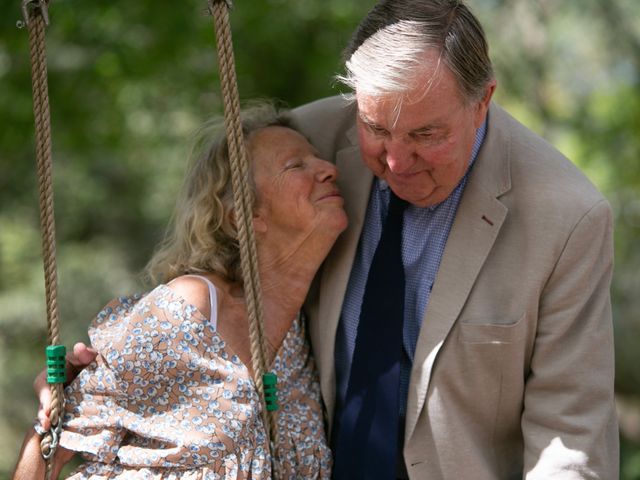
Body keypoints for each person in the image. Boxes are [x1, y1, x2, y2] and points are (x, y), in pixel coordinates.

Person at [25, 0, 619, 478]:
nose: (395, 160)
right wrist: (97, 369)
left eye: (426, 134)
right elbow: (227, 257)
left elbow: (571, 439)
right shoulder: (308, 140)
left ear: (482, 101)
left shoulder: (565, 216)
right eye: (375, 127)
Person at [12, 104, 347, 479]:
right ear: (245, 215)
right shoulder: (189, 310)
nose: (329, 169)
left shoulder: (305, 334)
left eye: (318, 159)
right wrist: (51, 415)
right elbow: (51, 444)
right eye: (296, 165)